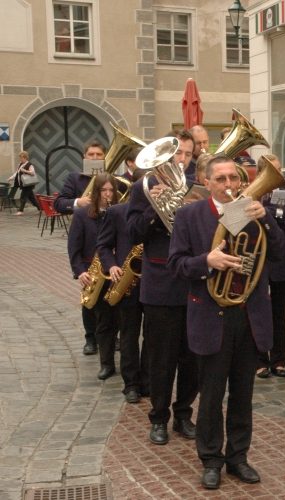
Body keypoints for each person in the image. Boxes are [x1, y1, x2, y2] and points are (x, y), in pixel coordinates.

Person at [168, 154, 285, 490]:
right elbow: (176, 265)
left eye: (234, 178)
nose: (229, 185)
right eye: (220, 179)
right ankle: (211, 459)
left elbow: (281, 255)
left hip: (248, 316)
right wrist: (208, 260)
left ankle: (238, 457)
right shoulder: (189, 215)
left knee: (242, 395)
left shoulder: (251, 212)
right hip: (210, 315)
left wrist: (267, 221)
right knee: (211, 395)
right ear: (207, 182)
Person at [127, 133, 198, 446]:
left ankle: (184, 413)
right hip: (160, 285)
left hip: (195, 284)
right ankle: (158, 417)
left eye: (185, 154)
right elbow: (131, 233)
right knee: (160, 358)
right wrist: (155, 207)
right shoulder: (142, 189)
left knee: (193, 357)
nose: (180, 160)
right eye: (176, 154)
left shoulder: (198, 187)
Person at [96, 168, 149, 403]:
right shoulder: (117, 212)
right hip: (127, 281)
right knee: (128, 334)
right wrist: (112, 266)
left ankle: (147, 380)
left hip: (154, 282)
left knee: (153, 336)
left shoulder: (163, 213)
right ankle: (131, 383)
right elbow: (104, 245)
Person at [68, 173, 119, 380]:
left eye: (111, 190)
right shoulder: (82, 215)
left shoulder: (117, 212)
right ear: (95, 192)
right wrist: (80, 270)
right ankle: (103, 358)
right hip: (93, 271)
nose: (107, 195)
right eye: (103, 190)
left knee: (118, 318)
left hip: (116, 271)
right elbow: (74, 246)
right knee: (99, 316)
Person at [256, 154, 285, 379]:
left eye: (279, 169)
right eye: (273, 170)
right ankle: (260, 360)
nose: (278, 174)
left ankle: (279, 359)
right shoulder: (254, 193)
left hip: (279, 261)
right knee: (260, 312)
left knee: (279, 314)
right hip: (259, 260)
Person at [54, 140, 107, 215]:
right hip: (83, 224)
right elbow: (59, 204)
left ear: (104, 156)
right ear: (84, 156)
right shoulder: (74, 178)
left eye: (99, 154)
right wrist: (78, 202)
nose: (95, 157)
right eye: (91, 154)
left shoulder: (114, 179)